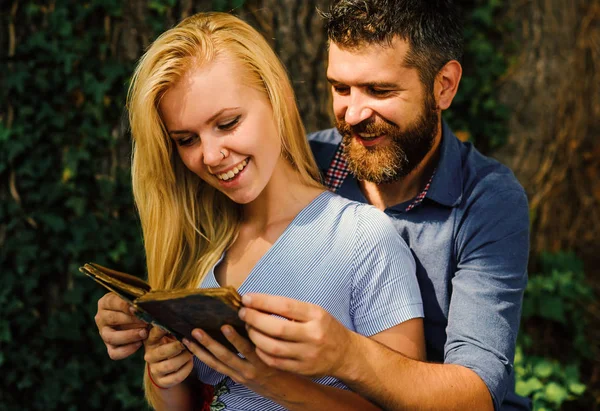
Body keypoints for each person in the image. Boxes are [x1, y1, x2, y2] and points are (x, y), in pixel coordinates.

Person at [96, 11, 425, 411]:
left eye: (227, 123)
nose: (211, 155)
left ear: (277, 98)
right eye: (186, 139)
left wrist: (270, 381)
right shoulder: (201, 243)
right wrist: (163, 374)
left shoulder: (362, 239)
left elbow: (406, 405)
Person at [234, 1, 531, 410]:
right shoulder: (299, 166)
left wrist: (345, 353)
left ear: (443, 85)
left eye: (380, 90)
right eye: (340, 88)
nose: (353, 114)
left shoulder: (486, 199)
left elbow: (476, 395)